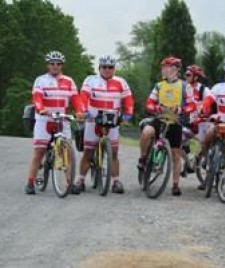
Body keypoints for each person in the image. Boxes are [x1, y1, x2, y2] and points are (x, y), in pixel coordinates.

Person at [71, 55, 134, 194]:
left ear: (114, 69)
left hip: (112, 121)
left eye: (110, 67)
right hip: (92, 119)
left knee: (114, 153)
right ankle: (80, 180)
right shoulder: (91, 80)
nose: (107, 70)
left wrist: (128, 114)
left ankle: (116, 181)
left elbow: (128, 100)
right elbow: (83, 97)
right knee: (88, 152)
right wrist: (83, 111)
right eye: (104, 67)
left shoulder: (121, 82)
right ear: (99, 68)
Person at [25, 51, 85, 194]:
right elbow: (37, 97)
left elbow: (76, 98)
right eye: (52, 64)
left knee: (67, 151)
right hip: (44, 118)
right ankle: (30, 182)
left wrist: (80, 110)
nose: (55, 66)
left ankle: (69, 183)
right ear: (48, 65)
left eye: (58, 64)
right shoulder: (40, 80)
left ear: (62, 65)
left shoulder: (69, 81)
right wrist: (40, 108)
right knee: (39, 151)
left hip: (62, 118)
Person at [138, 56, 196, 196]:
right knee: (146, 132)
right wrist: (156, 108)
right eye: (163, 67)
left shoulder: (184, 86)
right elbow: (149, 102)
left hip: (176, 122)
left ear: (175, 69)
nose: (163, 70)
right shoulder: (159, 85)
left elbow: (192, 105)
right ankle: (143, 158)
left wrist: (180, 109)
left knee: (176, 154)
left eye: (166, 67)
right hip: (160, 119)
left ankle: (175, 185)